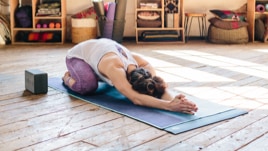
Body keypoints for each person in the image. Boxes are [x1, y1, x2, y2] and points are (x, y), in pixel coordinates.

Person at [63, 38, 198, 114]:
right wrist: (169, 106)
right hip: (78, 55)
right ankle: (67, 77)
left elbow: (157, 86)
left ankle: (97, 72)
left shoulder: (145, 66)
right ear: (129, 81)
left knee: (109, 80)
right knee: (88, 86)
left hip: (103, 47)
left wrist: (177, 101)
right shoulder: (115, 68)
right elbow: (136, 98)